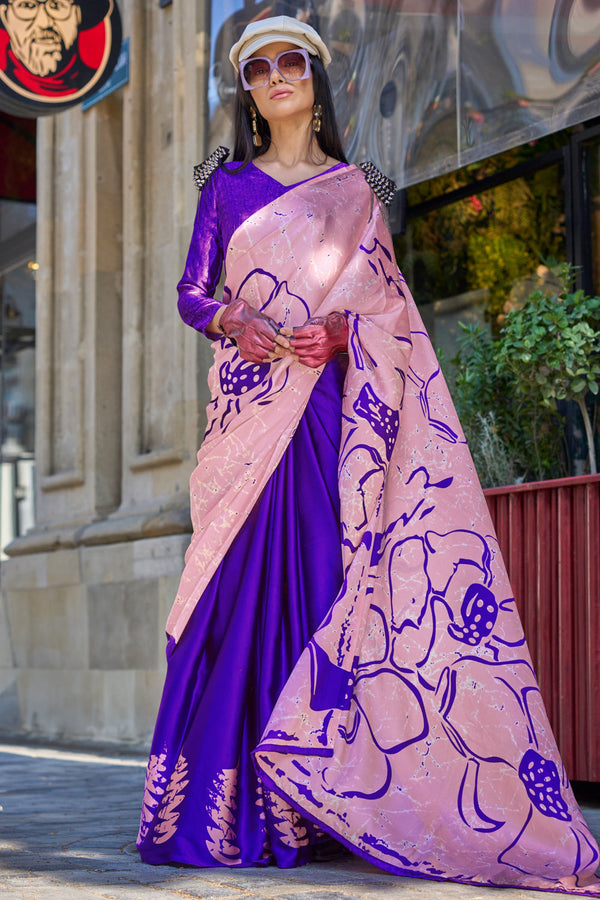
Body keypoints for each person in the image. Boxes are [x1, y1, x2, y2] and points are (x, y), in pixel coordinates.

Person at [137, 15, 600, 895]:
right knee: (232, 599)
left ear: (315, 80)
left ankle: (320, 804)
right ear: (248, 90)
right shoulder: (227, 187)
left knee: (320, 587)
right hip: (251, 422)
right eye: (259, 67)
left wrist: (342, 328)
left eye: (291, 63)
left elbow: (391, 312)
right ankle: (225, 808)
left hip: (325, 429)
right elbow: (191, 292)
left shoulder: (356, 190)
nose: (276, 78)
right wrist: (233, 319)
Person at [0, 0, 108, 96]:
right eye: (28, 5)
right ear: (4, 16)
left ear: (76, 13)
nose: (44, 23)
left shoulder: (98, 82)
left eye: (56, 5)